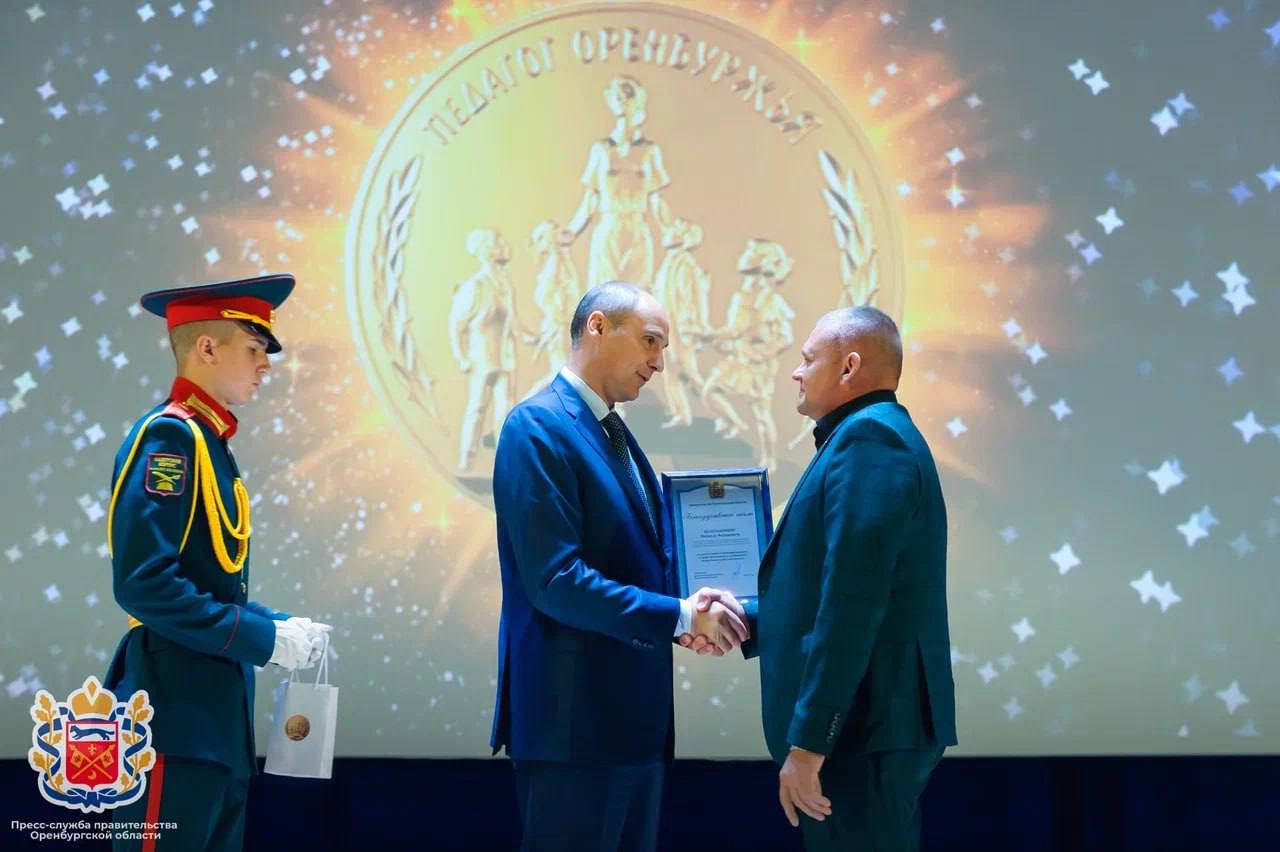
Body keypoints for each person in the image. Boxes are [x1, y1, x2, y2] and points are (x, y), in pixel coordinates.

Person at [686, 306, 957, 851]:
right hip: (863, 733)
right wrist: (744, 617)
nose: (796, 371)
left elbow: (853, 605)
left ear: (849, 367)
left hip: (859, 736)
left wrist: (811, 745)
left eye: (808, 359)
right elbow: (826, 593)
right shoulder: (864, 436)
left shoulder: (871, 441)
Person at [491, 281, 749, 852]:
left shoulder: (612, 430)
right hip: (573, 731)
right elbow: (556, 581)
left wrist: (693, 612)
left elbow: (640, 563)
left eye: (664, 348)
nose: (660, 363)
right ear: (598, 326)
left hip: (631, 730)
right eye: (651, 341)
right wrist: (681, 616)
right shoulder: (536, 427)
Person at [103, 274, 332, 851]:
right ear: (207, 348)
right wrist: (262, 639)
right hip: (172, 720)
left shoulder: (209, 441)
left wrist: (275, 626)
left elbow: (210, 583)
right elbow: (145, 585)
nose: (265, 365)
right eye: (254, 348)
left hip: (212, 723)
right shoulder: (170, 439)